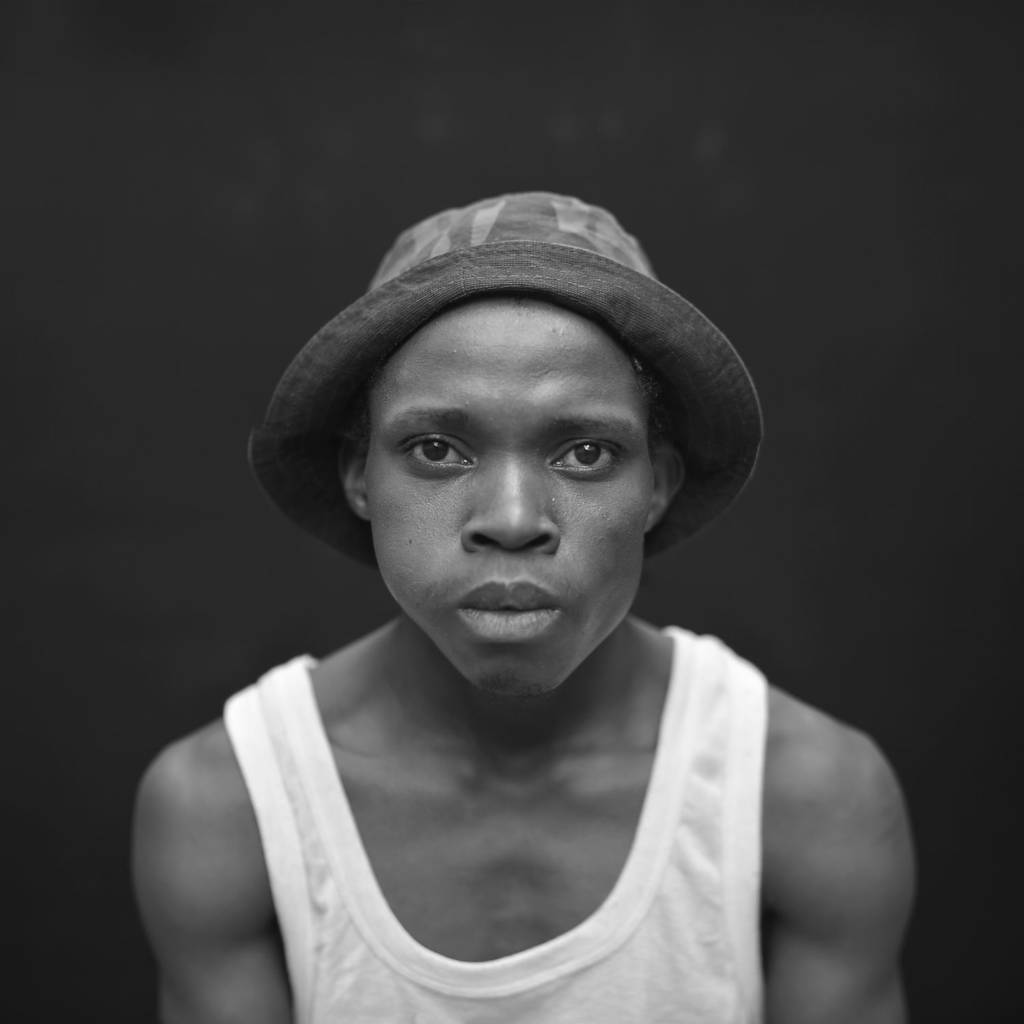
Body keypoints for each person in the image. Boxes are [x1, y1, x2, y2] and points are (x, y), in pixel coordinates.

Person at [132, 192, 915, 1023]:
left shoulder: (806, 799)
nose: (511, 520)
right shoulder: (231, 808)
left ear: (656, 484)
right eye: (437, 449)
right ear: (360, 476)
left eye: (587, 452)